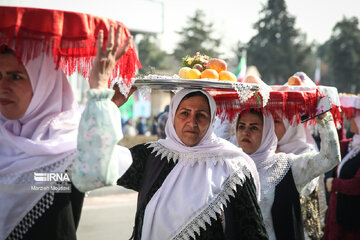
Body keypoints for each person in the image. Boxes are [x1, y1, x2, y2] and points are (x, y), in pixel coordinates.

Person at [71, 32, 269, 238]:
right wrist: (109, 104)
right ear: (172, 116)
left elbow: (252, 232)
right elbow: (97, 161)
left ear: (211, 121)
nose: (192, 122)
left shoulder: (232, 167)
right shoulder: (152, 157)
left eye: (201, 115)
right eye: (184, 113)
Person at [0, 24, 133, 239]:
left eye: (16, 77)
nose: (3, 86)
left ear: (45, 85)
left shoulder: (69, 144)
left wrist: (98, 88)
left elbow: (95, 174)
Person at [217, 108, 340, 240]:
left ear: (267, 133)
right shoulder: (229, 166)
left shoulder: (286, 165)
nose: (245, 132)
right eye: (241, 126)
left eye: (254, 128)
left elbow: (330, 158)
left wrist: (323, 117)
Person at [274, 113, 326, 240]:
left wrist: (281, 158)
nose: (270, 126)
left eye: (277, 122)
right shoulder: (265, 150)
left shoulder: (307, 153)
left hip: (300, 228)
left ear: (292, 127)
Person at [324, 115, 360, 240]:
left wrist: (334, 184)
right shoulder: (349, 145)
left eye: (355, 117)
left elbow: (357, 185)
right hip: (337, 210)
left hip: (354, 217)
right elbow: (332, 143)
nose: (351, 120)